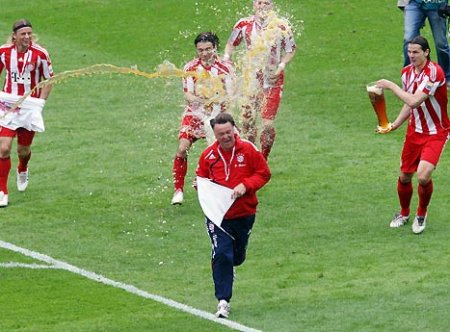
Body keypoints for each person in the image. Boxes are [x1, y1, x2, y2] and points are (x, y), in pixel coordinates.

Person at [196, 112, 271, 318]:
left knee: (235, 257)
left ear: (234, 130)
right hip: (217, 216)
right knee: (221, 253)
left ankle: (236, 258)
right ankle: (223, 301)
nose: (226, 137)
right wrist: (202, 189)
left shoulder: (248, 150)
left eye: (228, 132)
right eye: (221, 134)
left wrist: (245, 185)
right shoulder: (208, 157)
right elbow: (201, 179)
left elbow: (264, 174)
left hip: (244, 213)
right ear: (215, 134)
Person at [376, 36, 450, 234]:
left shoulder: (435, 72)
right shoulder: (406, 73)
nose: (411, 55)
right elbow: (409, 105)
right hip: (414, 132)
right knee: (405, 176)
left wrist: (391, 86)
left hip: (436, 132)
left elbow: (415, 100)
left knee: (423, 175)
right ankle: (404, 213)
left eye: (416, 52)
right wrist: (394, 125)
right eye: (409, 52)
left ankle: (421, 213)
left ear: (426, 52)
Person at [223, 0, 296, 160]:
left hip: (272, 80)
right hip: (250, 79)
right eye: (259, 2)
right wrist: (227, 60)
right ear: (253, 4)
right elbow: (231, 44)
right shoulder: (243, 24)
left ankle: (263, 158)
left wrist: (281, 66)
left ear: (272, 5)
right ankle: (250, 157)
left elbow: (290, 50)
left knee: (267, 125)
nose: (262, 6)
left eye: (267, 2)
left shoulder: (281, 26)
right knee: (247, 121)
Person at [171, 32, 234, 205]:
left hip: (216, 117)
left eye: (208, 49)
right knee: (182, 148)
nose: (205, 53)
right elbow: (188, 96)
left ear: (215, 48)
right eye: (201, 50)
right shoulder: (190, 68)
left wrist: (219, 109)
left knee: (218, 154)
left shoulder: (226, 68)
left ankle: (204, 182)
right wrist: (204, 101)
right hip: (195, 114)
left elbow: (230, 96)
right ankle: (178, 190)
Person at [0, 19, 54, 207]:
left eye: (29, 33)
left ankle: (22, 167)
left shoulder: (40, 54)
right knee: (4, 148)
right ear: (14, 36)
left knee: (23, 150)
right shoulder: (4, 52)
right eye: (23, 34)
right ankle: (2, 191)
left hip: (30, 106)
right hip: (8, 105)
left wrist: (40, 103)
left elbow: (49, 79)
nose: (27, 37)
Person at [402, 0, 450, 85]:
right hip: (414, 3)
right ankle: (409, 76)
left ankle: (445, 76)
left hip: (437, 5)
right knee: (409, 38)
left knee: (441, 44)